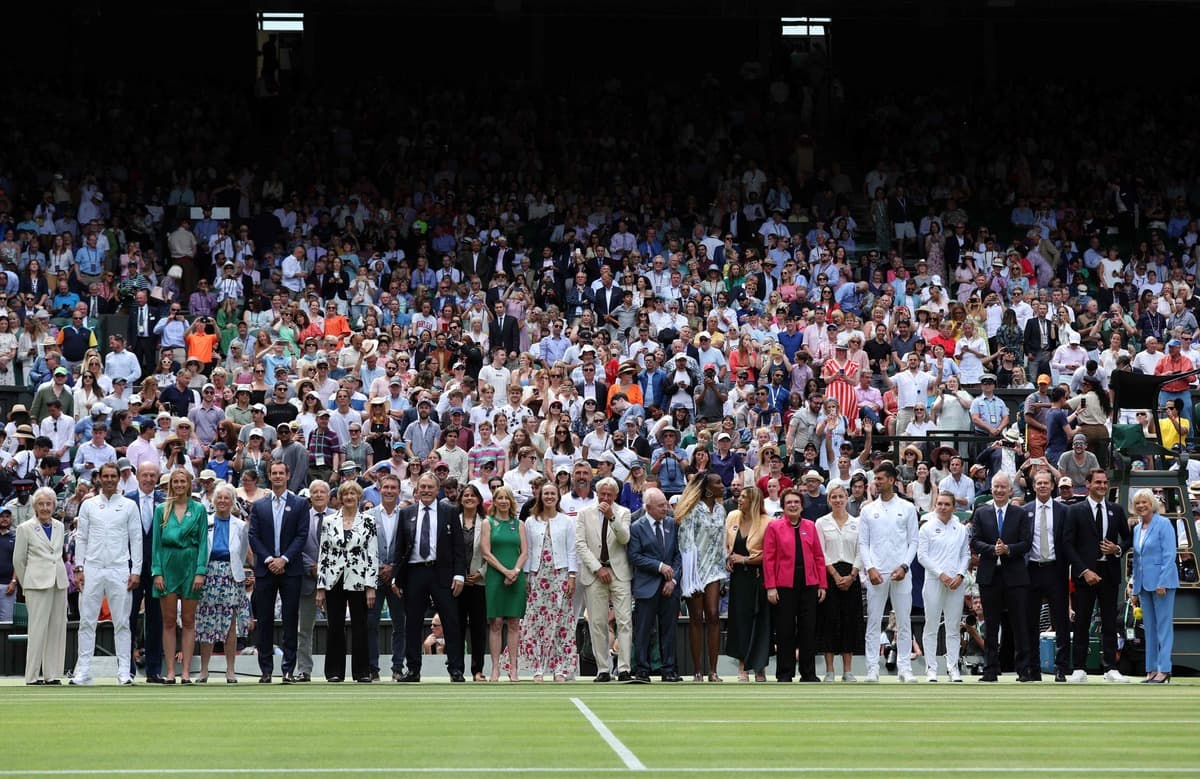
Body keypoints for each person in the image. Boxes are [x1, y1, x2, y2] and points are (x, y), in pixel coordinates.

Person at [392, 472, 467, 683]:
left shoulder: (449, 511)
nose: (426, 490)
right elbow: (399, 547)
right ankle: (413, 670)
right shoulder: (406, 513)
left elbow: (458, 547)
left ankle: (456, 669)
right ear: (417, 489)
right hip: (415, 573)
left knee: (451, 622)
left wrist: (459, 574)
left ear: (437, 489)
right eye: (422, 487)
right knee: (413, 624)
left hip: (442, 573)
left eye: (430, 487)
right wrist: (396, 578)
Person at [70, 462, 141, 686]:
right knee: (87, 621)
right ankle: (83, 671)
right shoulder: (89, 505)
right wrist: (79, 567)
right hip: (92, 568)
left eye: (113, 476)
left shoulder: (129, 505)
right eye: (106, 476)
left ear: (119, 478)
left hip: (120, 568)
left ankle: (123, 672)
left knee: (122, 622)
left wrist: (136, 570)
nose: (110, 480)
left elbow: (135, 538)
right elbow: (81, 537)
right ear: (99, 478)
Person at [1065, 468, 1132, 683]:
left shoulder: (1116, 510)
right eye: (1098, 482)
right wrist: (1084, 571)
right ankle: (1079, 668)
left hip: (1109, 574)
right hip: (1085, 575)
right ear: (1088, 484)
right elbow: (1067, 544)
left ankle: (1111, 667)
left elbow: (1128, 539)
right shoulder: (1075, 510)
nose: (1102, 486)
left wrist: (1117, 550)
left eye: (1104, 483)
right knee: (1082, 621)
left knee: (1110, 622)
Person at [247, 460, 310, 683]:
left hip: (290, 570)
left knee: (290, 620)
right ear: (269, 476)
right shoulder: (259, 505)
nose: (277, 477)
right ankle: (265, 670)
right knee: (264, 621)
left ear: (288, 475)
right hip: (265, 571)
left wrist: (283, 559)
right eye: (273, 473)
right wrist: (268, 559)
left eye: (281, 473)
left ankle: (288, 670)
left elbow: (302, 535)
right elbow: (253, 536)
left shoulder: (301, 504)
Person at [858, 460, 919, 683]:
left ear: (891, 480)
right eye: (875, 479)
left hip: (901, 572)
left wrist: (904, 566)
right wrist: (870, 568)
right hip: (876, 573)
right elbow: (863, 543)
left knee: (904, 621)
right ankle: (872, 668)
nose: (876, 482)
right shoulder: (867, 511)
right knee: (874, 621)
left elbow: (914, 541)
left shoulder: (908, 508)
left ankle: (905, 668)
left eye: (880, 479)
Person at [969, 471, 1033, 682]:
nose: (998, 490)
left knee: (1019, 624)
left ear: (1010, 490)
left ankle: (1023, 670)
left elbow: (1026, 543)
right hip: (989, 576)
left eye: (1003, 487)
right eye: (996, 486)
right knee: (991, 624)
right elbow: (975, 541)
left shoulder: (1020, 513)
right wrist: (991, 550)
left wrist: (1007, 549)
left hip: (1015, 576)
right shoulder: (981, 512)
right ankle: (990, 669)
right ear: (991, 488)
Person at [316, 479, 378, 683]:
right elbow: (323, 554)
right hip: (334, 579)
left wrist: (371, 586)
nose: (349, 497)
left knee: (360, 625)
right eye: (345, 494)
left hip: (359, 579)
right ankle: (334, 671)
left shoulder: (368, 521)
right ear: (340, 498)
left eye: (353, 493)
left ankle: (362, 671)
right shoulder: (329, 521)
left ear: (359, 497)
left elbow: (372, 554)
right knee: (335, 625)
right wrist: (321, 587)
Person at [151, 468, 209, 684]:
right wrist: (156, 571)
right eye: (175, 481)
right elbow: (156, 543)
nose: (179, 485)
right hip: (167, 566)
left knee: (188, 620)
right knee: (167, 621)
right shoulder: (161, 510)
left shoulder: (199, 509)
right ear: (170, 484)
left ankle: (185, 671)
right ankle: (170, 671)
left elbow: (203, 542)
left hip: (190, 565)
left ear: (189, 483)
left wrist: (200, 571)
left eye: (182, 481)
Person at [763, 487, 827, 683]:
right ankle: (785, 672)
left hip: (809, 584)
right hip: (784, 585)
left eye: (796, 502)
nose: (793, 505)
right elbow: (769, 558)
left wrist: (822, 584)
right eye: (789, 502)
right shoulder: (774, 527)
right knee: (785, 630)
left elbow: (818, 556)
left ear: (802, 506)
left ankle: (808, 673)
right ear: (783, 506)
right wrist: (771, 587)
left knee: (808, 629)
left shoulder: (810, 525)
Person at [575, 477, 633, 682]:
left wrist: (612, 517)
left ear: (616, 495)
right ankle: (603, 669)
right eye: (603, 494)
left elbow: (624, 539)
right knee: (597, 622)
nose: (606, 498)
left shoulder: (623, 513)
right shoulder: (584, 514)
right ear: (597, 494)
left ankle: (624, 668)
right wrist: (598, 569)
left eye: (610, 494)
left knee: (624, 621)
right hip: (594, 573)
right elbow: (580, 545)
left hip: (619, 572)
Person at [520, 482, 578, 682]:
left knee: (562, 622)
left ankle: (560, 668)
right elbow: (527, 551)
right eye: (546, 494)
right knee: (537, 623)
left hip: (560, 575)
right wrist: (527, 576)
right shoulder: (530, 521)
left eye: (553, 493)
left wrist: (572, 575)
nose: (549, 497)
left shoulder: (566, 521)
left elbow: (572, 550)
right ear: (540, 496)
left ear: (558, 497)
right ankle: (538, 667)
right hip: (537, 575)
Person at [673, 471, 728, 681]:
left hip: (714, 569)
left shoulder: (721, 510)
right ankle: (697, 670)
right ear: (706, 488)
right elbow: (685, 543)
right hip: (694, 569)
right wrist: (691, 576)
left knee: (713, 615)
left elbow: (721, 541)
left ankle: (713, 671)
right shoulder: (691, 510)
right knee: (696, 618)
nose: (722, 486)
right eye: (718, 483)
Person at [195, 482, 251, 684]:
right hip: (209, 575)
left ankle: (230, 670)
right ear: (213, 500)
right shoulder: (205, 522)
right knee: (206, 623)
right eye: (219, 497)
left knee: (230, 624)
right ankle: (203, 670)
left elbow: (244, 552)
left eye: (226, 498)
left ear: (232, 501)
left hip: (231, 575)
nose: (222, 501)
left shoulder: (241, 525)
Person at [12, 487, 68, 684]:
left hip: (59, 583)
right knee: (37, 630)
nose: (45, 508)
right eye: (41, 504)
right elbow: (18, 560)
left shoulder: (60, 526)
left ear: (54, 505)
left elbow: (59, 555)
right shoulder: (25, 528)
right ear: (34, 506)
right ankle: (33, 676)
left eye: (48, 504)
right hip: (36, 585)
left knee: (57, 629)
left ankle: (52, 675)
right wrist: (26, 584)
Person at [627, 486, 682, 683]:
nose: (665, 508)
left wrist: (673, 579)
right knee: (643, 629)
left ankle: (669, 669)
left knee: (669, 629)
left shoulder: (672, 523)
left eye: (666, 504)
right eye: (660, 506)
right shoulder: (636, 527)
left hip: (669, 587)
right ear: (648, 507)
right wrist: (659, 567)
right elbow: (634, 556)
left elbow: (678, 554)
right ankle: (642, 669)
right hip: (646, 585)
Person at [1022, 470, 1072, 682]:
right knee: (1030, 622)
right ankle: (1033, 668)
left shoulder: (1063, 510)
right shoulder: (1024, 511)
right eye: (1038, 483)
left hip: (1055, 569)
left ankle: (1061, 668)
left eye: (1046, 483)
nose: (1042, 486)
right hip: (1032, 569)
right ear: (1033, 486)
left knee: (1061, 620)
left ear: (1052, 486)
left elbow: (1068, 541)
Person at [917, 491, 970, 682]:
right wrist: (941, 574)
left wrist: (960, 574)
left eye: (947, 504)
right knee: (931, 625)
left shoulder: (961, 529)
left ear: (953, 507)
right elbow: (922, 556)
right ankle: (931, 668)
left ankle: (953, 667)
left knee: (953, 626)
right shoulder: (927, 528)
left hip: (956, 583)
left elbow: (965, 555)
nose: (942, 507)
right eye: (939, 504)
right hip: (934, 581)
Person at [814, 483, 864, 683]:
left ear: (846, 498)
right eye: (834, 497)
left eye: (841, 496)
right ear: (829, 500)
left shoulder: (857, 523)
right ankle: (829, 670)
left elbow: (862, 551)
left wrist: (852, 576)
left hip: (851, 575)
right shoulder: (821, 522)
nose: (838, 500)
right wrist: (834, 576)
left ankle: (848, 670)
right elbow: (820, 552)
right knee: (829, 621)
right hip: (829, 575)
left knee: (849, 621)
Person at [1129, 489, 1179, 684]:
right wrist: (1134, 587)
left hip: (1161, 584)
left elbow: (1169, 555)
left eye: (1144, 502)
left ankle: (1164, 669)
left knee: (1163, 628)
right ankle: (1150, 670)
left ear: (1152, 504)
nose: (1141, 506)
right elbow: (1138, 560)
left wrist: (1163, 582)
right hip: (1143, 585)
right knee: (1148, 628)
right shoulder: (1136, 528)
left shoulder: (1164, 524)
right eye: (1138, 503)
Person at [723, 486, 770, 682]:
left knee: (760, 620)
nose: (739, 499)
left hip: (759, 577)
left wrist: (744, 560)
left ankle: (759, 668)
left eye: (743, 497)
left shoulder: (768, 522)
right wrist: (728, 558)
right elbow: (728, 545)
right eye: (739, 496)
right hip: (738, 579)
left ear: (754, 501)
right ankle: (742, 665)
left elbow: (769, 555)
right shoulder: (732, 516)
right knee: (739, 620)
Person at [480, 486, 527, 682]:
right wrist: (505, 571)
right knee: (496, 623)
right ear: (494, 501)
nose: (503, 501)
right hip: (495, 576)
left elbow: (524, 552)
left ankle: (514, 669)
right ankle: (495, 668)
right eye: (499, 498)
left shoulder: (519, 523)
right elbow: (485, 552)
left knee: (514, 623)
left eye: (506, 498)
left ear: (511, 502)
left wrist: (514, 571)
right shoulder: (487, 522)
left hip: (516, 577)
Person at [127, 461, 165, 683]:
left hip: (158, 570)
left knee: (156, 620)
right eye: (145, 475)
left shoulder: (165, 502)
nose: (149, 479)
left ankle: (153, 670)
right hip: (131, 570)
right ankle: (127, 670)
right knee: (128, 618)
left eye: (153, 475)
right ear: (138, 476)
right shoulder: (127, 501)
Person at [367, 473, 405, 682]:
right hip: (374, 578)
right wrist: (379, 568)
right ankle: (373, 668)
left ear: (399, 491)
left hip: (397, 579)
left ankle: (397, 667)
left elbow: (409, 548)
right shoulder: (369, 515)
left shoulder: (406, 515)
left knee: (400, 623)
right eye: (386, 487)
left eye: (393, 487)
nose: (389, 491)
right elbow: (364, 548)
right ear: (379, 490)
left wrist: (394, 570)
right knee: (371, 623)